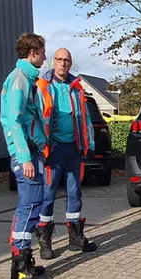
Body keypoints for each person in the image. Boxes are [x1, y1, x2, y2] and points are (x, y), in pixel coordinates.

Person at [34, 48, 97, 259]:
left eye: (67, 60)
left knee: (74, 192)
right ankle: (45, 241)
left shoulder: (77, 88)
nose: (63, 64)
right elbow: (36, 120)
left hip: (74, 148)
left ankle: (76, 238)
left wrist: (90, 144)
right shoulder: (42, 86)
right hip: (52, 149)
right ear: (53, 62)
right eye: (59, 60)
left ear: (71, 63)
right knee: (48, 194)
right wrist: (41, 147)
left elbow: (85, 118)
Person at [0, 33, 50, 279]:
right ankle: (21, 268)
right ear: (32, 53)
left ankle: (22, 263)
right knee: (30, 206)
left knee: (32, 204)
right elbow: (14, 121)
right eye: (42, 52)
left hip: (32, 152)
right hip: (26, 153)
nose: (44, 56)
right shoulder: (19, 79)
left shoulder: (26, 79)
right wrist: (24, 158)